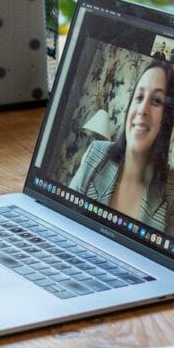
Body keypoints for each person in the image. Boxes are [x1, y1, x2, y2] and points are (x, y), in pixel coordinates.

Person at [70, 59, 174, 231]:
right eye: (139, 97)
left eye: (156, 101)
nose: (142, 109)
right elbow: (64, 216)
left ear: (167, 117)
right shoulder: (96, 153)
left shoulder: (171, 193)